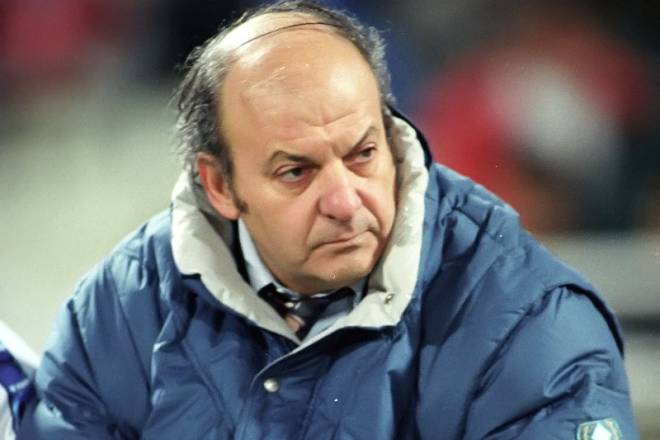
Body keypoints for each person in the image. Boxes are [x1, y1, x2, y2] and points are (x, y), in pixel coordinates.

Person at [19, 1, 638, 438]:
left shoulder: (530, 319)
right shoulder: (122, 308)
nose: (345, 200)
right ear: (220, 185)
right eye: (297, 172)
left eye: (363, 154)